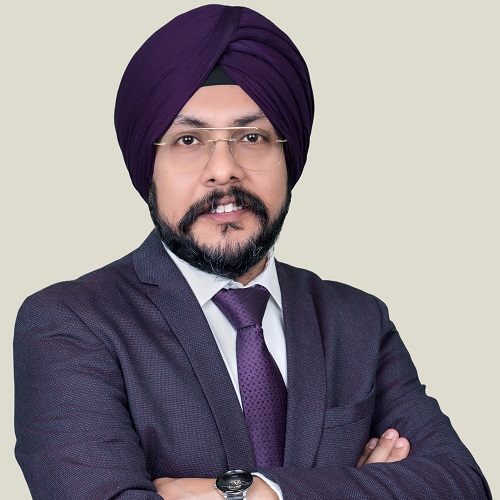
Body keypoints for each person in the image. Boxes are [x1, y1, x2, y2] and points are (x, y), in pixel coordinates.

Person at [14, 4, 491, 499]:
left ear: (288, 157)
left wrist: (258, 492)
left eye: (251, 136)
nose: (224, 170)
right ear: (147, 166)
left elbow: (462, 485)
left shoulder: (357, 321)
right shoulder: (70, 323)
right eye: (188, 139)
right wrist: (364, 486)